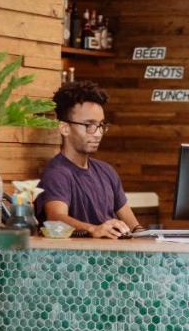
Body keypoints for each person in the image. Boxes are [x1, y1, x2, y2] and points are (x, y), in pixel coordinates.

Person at [35, 80, 141, 239]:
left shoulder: (107, 171)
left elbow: (134, 226)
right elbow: (55, 219)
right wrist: (93, 229)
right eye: (89, 125)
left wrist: (151, 236)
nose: (98, 133)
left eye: (101, 125)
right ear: (65, 128)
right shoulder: (56, 174)